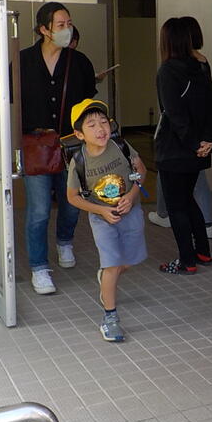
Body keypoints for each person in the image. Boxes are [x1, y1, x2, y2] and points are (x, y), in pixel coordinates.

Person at [20, 2, 97, 294]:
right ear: (44, 29)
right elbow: (12, 104)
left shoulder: (80, 62)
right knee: (39, 210)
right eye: (61, 25)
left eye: (69, 24)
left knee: (71, 204)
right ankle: (39, 268)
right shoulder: (22, 61)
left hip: (73, 146)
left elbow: (88, 107)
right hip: (36, 146)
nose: (68, 29)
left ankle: (65, 241)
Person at [66, 99, 147, 342]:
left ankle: (106, 277)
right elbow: (72, 197)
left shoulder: (121, 146)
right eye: (91, 125)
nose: (100, 129)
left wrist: (131, 196)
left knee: (129, 261)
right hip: (102, 219)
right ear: (79, 134)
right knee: (112, 264)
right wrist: (100, 211)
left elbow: (141, 171)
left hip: (131, 212)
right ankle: (110, 317)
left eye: (104, 122)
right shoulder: (79, 161)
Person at [155, 17, 212, 275]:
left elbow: (174, 114)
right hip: (198, 148)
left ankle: (186, 261)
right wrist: (206, 140)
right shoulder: (201, 66)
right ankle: (203, 251)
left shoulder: (168, 70)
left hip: (175, 150)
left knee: (176, 206)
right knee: (187, 199)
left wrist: (195, 143)